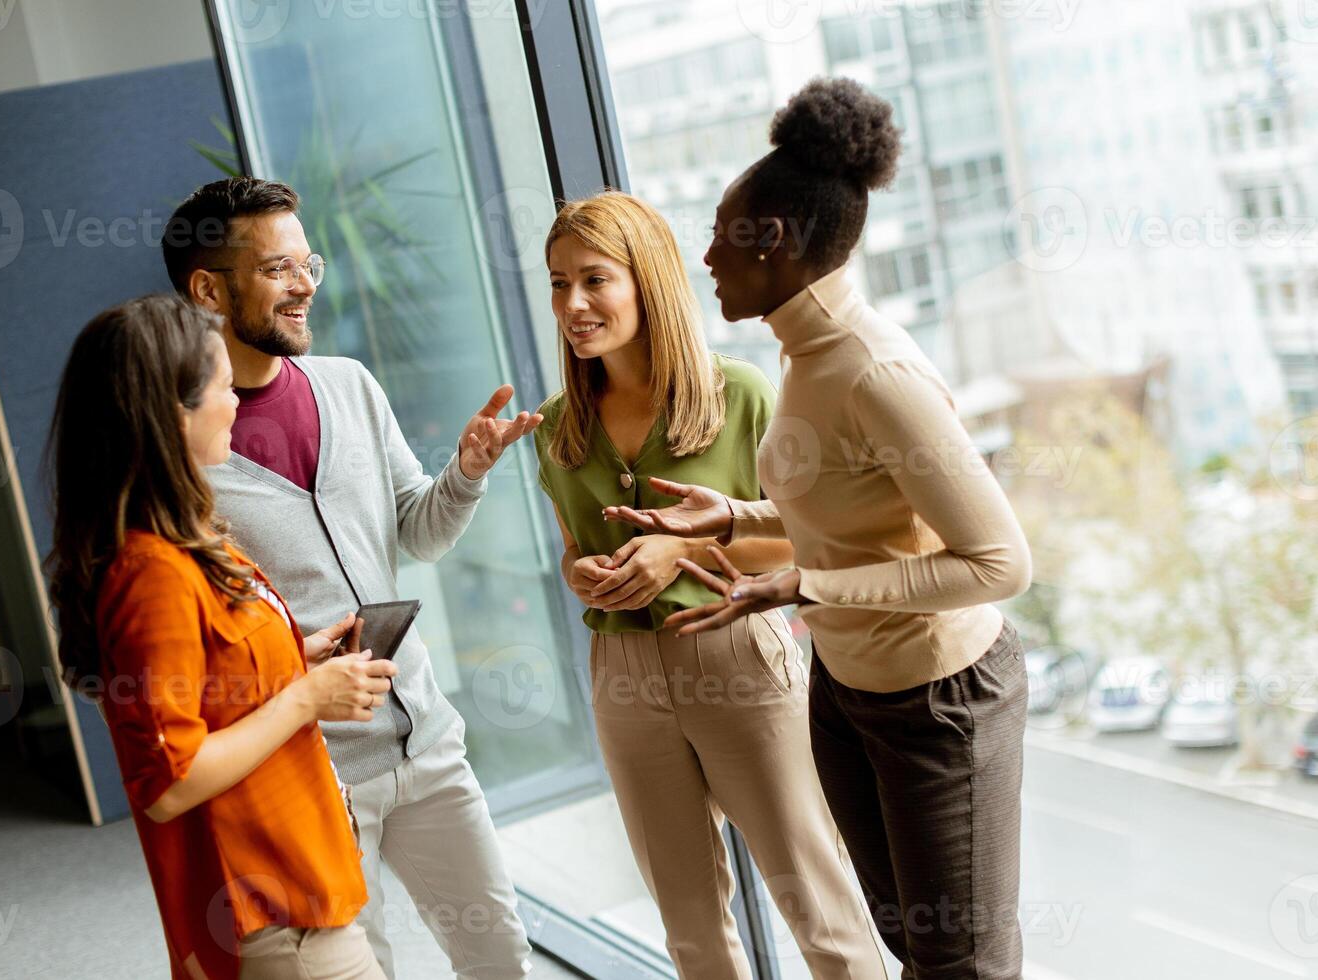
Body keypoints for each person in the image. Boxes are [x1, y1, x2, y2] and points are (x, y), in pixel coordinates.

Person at [605, 78, 1035, 980]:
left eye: (724, 232)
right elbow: (852, 504)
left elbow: (999, 563)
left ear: (778, 241)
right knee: (911, 946)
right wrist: (732, 518)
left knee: (960, 962)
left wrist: (806, 584)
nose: (708, 255)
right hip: (848, 690)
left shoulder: (874, 371)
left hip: (939, 700)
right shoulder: (806, 358)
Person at [161, 177, 538, 980]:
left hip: (426, 743)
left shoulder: (349, 385)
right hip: (311, 771)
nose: (304, 286)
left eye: (311, 264)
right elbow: (194, 641)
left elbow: (418, 532)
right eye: (277, 269)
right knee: (367, 968)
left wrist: (465, 474)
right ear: (207, 288)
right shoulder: (182, 454)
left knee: (500, 954)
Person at [533, 191, 886, 980]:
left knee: (818, 909)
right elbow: (571, 552)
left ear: (648, 279)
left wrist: (682, 555)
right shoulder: (561, 426)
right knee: (688, 928)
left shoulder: (743, 396)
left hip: (737, 657)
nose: (573, 304)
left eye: (595, 279)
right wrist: (581, 572)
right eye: (558, 283)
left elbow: (809, 540)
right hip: (623, 680)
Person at [45, 295, 398, 979]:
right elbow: (168, 782)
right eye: (217, 384)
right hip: (271, 912)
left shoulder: (192, 537)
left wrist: (302, 659)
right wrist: (305, 700)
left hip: (301, 886)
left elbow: (216, 682)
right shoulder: (151, 570)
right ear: (168, 414)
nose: (235, 399)